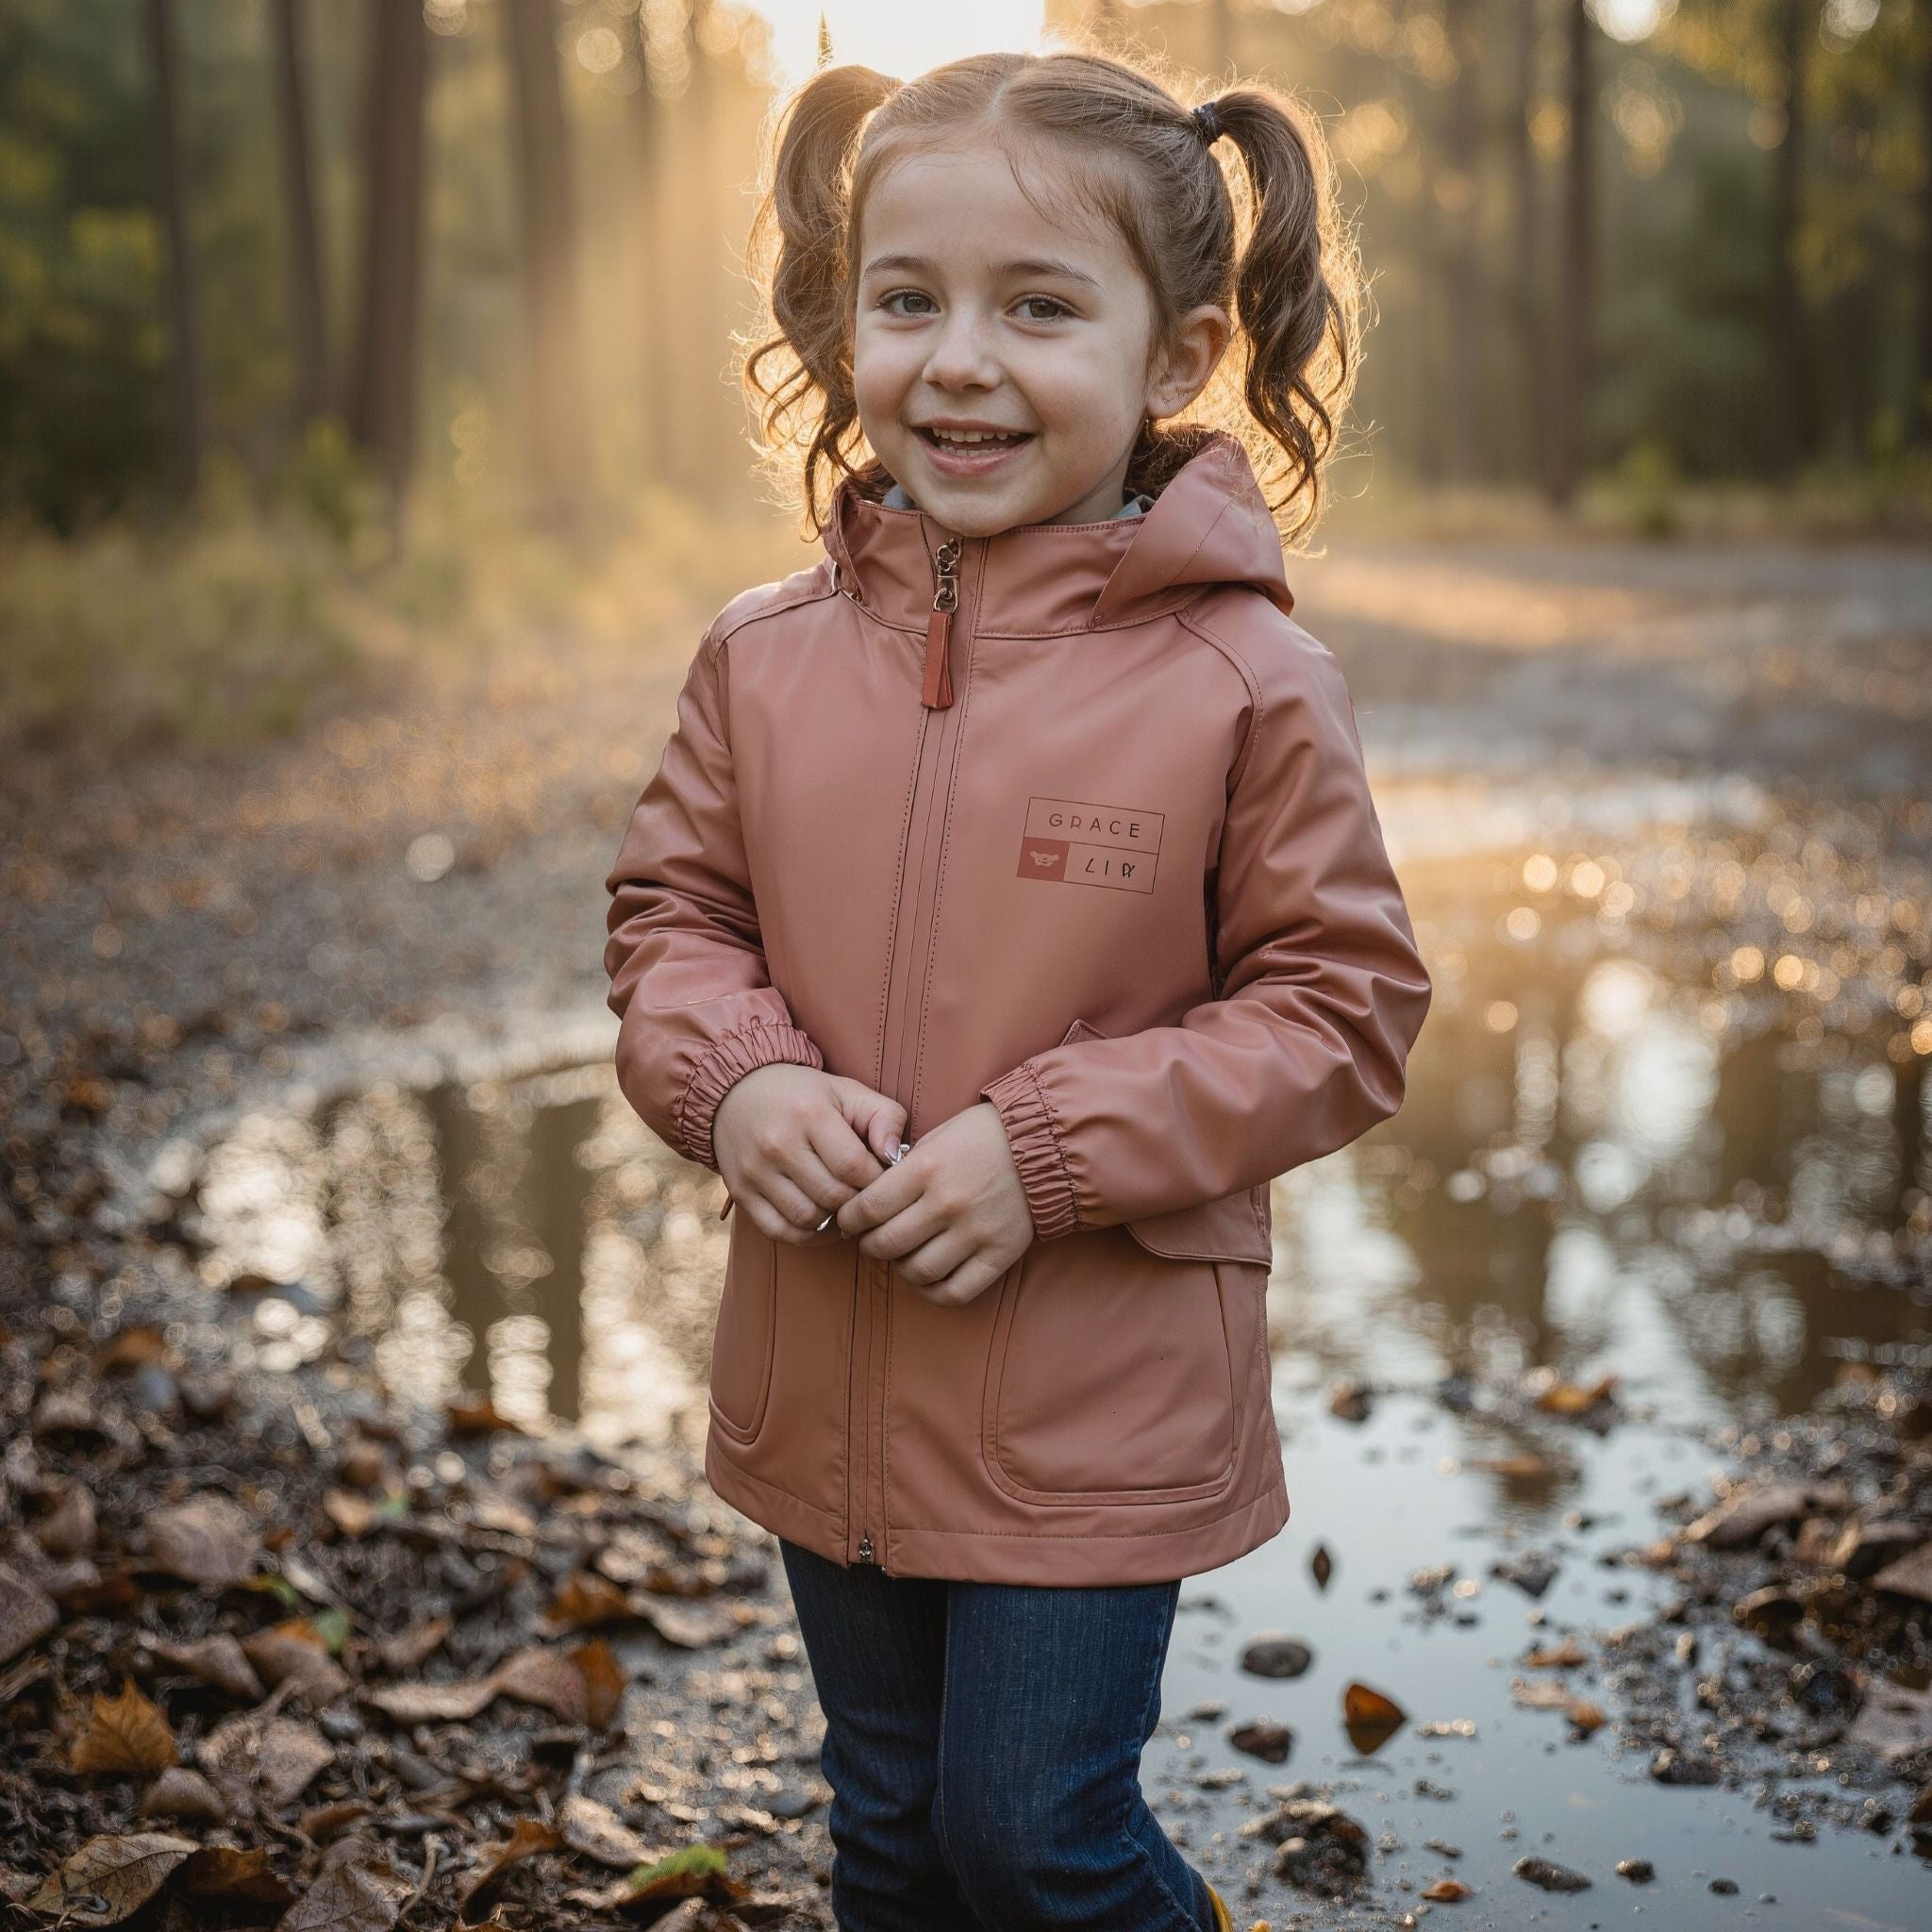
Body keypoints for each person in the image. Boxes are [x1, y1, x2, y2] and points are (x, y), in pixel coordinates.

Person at [604, 39, 1432, 1932]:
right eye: (908, 300)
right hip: (828, 1371)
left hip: (1092, 1395)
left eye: (1036, 307)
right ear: (843, 322)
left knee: (1031, 1837)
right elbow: (669, 921)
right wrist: (734, 1086)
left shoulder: (1238, 677)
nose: (957, 360)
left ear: (1174, 356)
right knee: (888, 1832)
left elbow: (1341, 1007)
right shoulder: (761, 658)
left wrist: (1042, 1147)